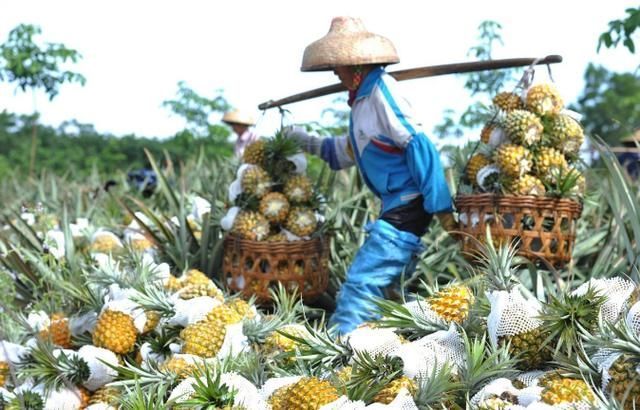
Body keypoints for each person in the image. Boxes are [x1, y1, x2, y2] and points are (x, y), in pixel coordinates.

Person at [284, 16, 455, 335]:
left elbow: (418, 142)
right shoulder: (362, 103)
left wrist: (440, 207)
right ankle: (385, 347)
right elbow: (345, 153)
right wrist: (305, 140)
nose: (335, 73)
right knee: (388, 290)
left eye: (338, 66)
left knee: (361, 284)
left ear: (355, 66)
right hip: (395, 206)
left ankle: (341, 348)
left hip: (407, 205)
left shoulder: (380, 91)